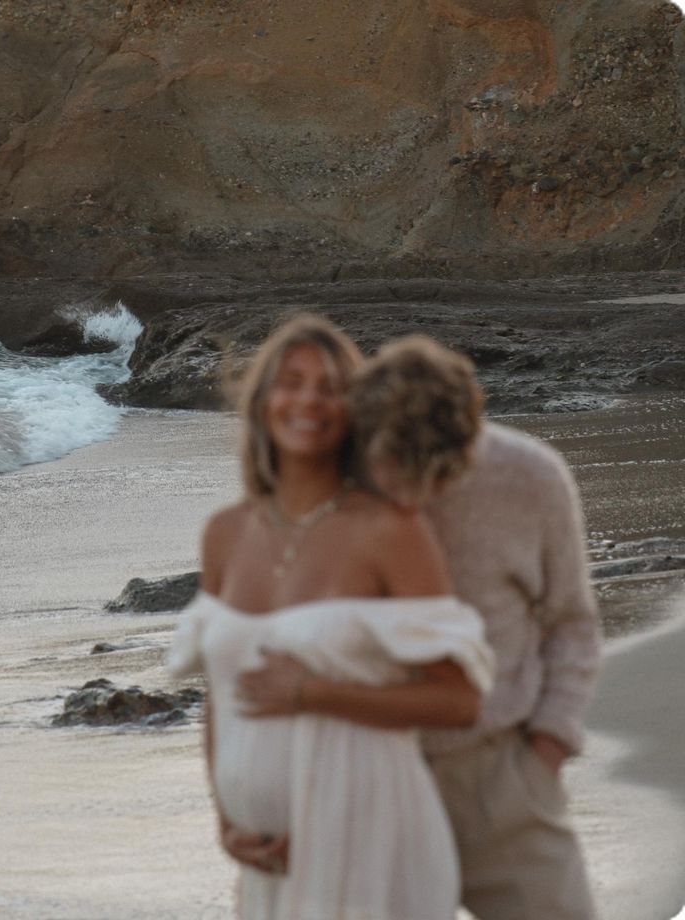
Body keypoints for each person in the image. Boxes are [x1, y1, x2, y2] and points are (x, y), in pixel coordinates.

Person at [244, 334, 602, 920]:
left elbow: (571, 624)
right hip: (363, 776)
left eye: (435, 481)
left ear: (469, 445)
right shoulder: (330, 480)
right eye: (394, 478)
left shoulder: (532, 476)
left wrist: (547, 750)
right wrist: (280, 800)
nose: (413, 499)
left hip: (499, 776)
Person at [169, 315, 494, 920]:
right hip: (269, 859)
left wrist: (309, 692)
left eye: (330, 386)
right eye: (292, 381)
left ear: (355, 411)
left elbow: (458, 701)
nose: (309, 400)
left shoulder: (390, 531)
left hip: (373, 833)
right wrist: (226, 820)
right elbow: (222, 694)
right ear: (264, 398)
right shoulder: (226, 534)